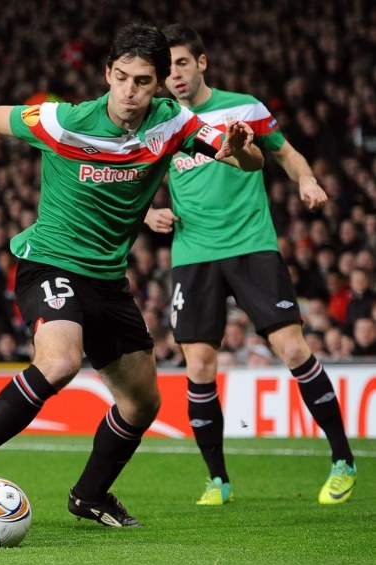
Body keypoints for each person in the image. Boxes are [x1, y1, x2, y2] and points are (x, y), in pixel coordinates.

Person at [0, 22, 262, 527]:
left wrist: (240, 147)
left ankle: (89, 495)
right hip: (49, 261)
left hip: (108, 280)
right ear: (107, 74)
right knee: (60, 362)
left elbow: (249, 160)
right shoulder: (64, 121)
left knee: (142, 404)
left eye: (142, 81)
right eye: (121, 78)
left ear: (159, 84)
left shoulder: (174, 125)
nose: (129, 92)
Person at [144, 24, 357, 506]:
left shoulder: (244, 107)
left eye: (182, 63)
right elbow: (133, 177)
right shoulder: (160, 121)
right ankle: (217, 479)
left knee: (292, 348)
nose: (174, 76)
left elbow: (284, 154)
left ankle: (343, 458)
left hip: (251, 245)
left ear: (202, 62)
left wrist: (306, 181)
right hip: (193, 252)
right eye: (166, 68)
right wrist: (146, 211)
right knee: (198, 363)